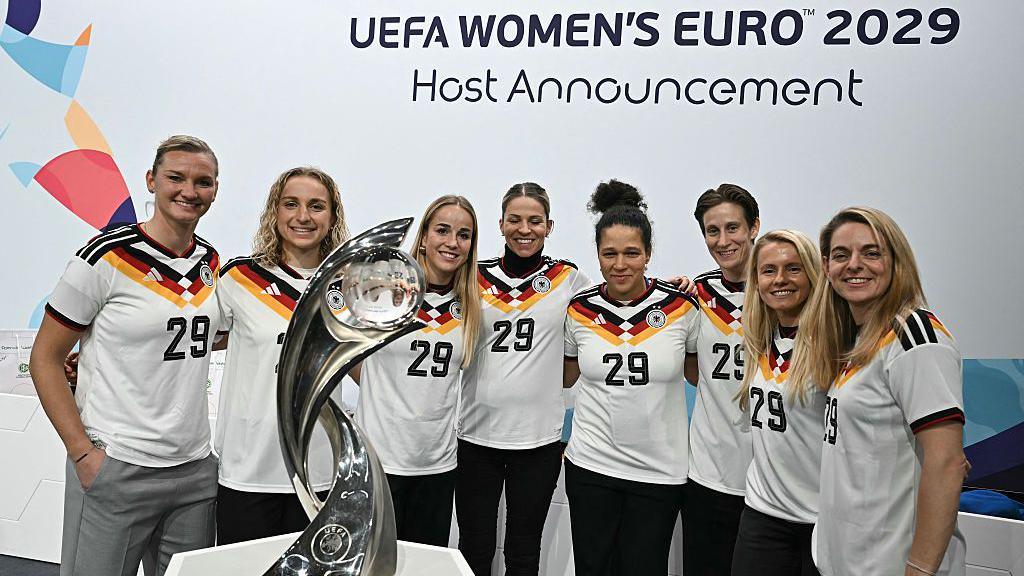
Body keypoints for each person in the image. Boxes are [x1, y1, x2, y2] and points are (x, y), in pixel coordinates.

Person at [30, 135, 221, 576]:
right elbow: (45, 358)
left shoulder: (210, 261)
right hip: (118, 465)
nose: (189, 191)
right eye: (176, 177)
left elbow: (201, 334)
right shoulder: (104, 257)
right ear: (151, 180)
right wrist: (82, 453)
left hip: (193, 472)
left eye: (203, 181)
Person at [795, 207, 967, 576]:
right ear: (826, 267)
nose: (854, 264)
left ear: (895, 261)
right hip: (845, 562)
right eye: (841, 255)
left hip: (889, 565)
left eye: (871, 253)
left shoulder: (916, 338)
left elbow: (947, 464)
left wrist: (919, 570)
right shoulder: (857, 341)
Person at [562, 180, 699, 576]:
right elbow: (566, 376)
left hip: (659, 470)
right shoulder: (579, 309)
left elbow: (698, 375)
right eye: (609, 254)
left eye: (631, 253)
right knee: (592, 568)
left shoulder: (682, 306)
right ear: (598, 256)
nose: (620, 264)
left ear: (648, 254)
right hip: (591, 466)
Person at [456, 182, 592, 576]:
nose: (524, 229)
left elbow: (603, 316)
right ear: (500, 224)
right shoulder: (472, 277)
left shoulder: (568, 279)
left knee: (522, 550)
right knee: (474, 548)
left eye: (535, 221)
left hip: (538, 441)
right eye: (514, 220)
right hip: (476, 437)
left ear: (549, 226)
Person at [213, 167, 349, 544]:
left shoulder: (349, 286)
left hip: (318, 468)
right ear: (275, 211)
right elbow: (193, 339)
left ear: (333, 217)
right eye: (291, 204)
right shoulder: (239, 279)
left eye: (316, 206)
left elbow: (369, 370)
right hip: (248, 468)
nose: (303, 216)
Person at [350, 195, 481, 546]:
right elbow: (348, 355)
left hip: (436, 465)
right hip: (380, 462)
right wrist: (383, 392)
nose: (452, 242)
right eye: (442, 230)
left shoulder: (471, 305)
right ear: (423, 237)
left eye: (464, 234)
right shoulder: (385, 292)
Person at [729, 230, 825, 576]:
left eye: (793, 268)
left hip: (821, 521)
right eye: (769, 270)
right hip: (762, 516)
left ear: (814, 273)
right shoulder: (759, 340)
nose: (780, 279)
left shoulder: (835, 345)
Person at [683, 183, 761, 576]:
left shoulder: (786, 291)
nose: (723, 240)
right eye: (713, 231)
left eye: (733, 228)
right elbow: (694, 371)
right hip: (707, 475)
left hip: (769, 482)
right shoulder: (696, 293)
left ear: (754, 227)